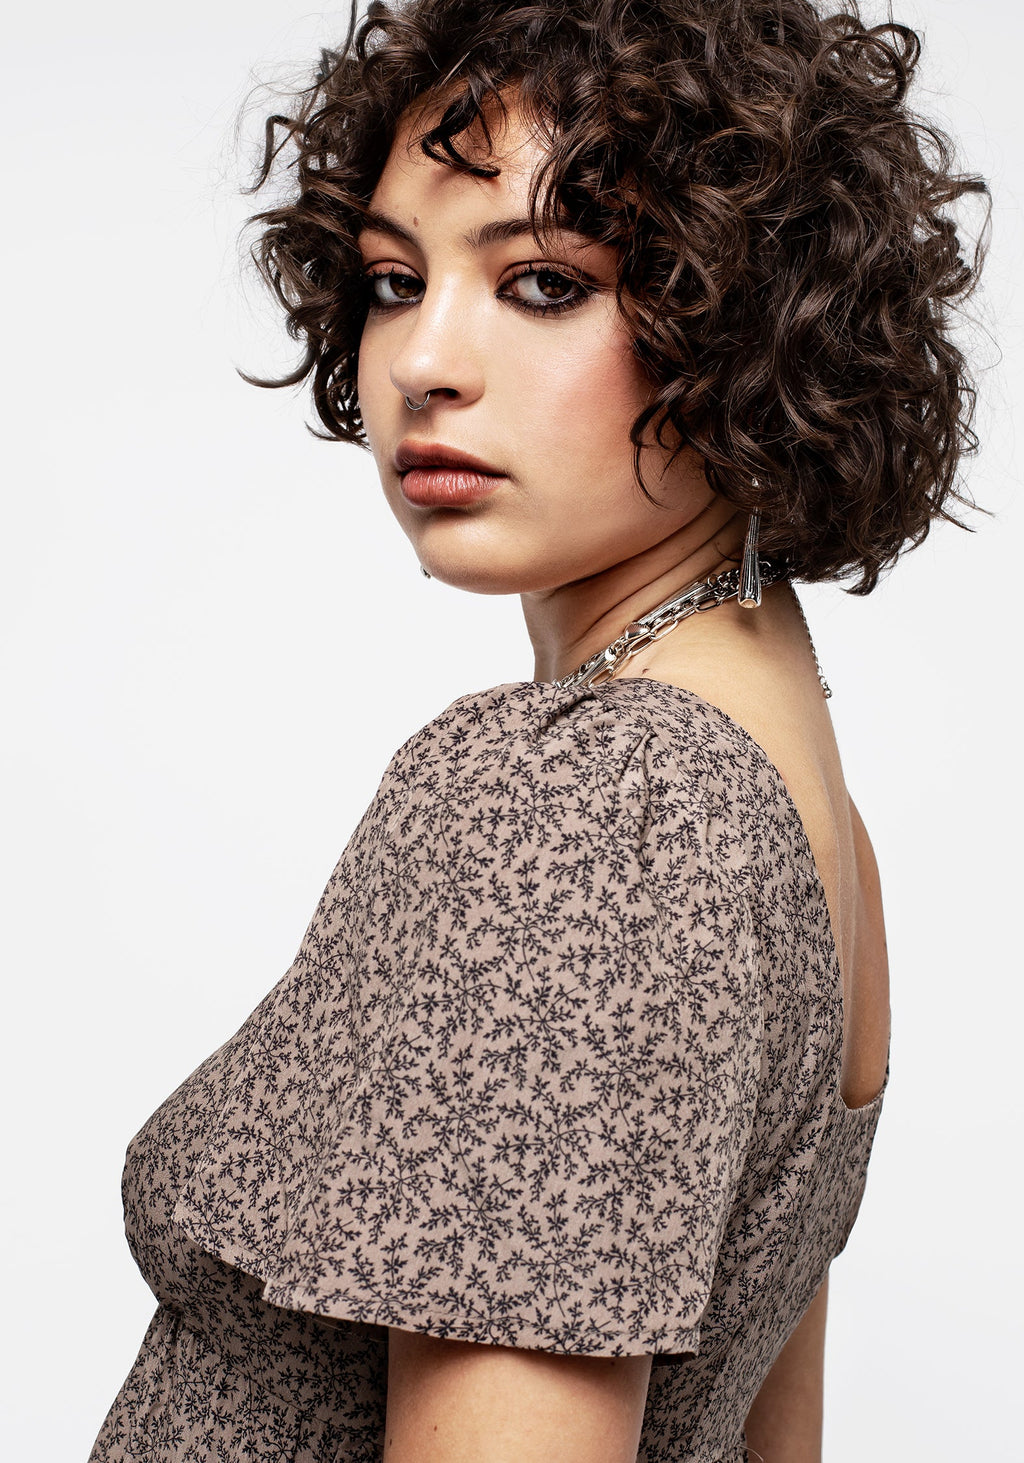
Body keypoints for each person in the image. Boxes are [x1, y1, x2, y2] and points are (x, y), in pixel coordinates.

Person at [89, 2, 988, 1460]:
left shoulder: (593, 804)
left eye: (546, 284)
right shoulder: (791, 798)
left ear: (744, 323)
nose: (422, 361)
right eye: (394, 281)